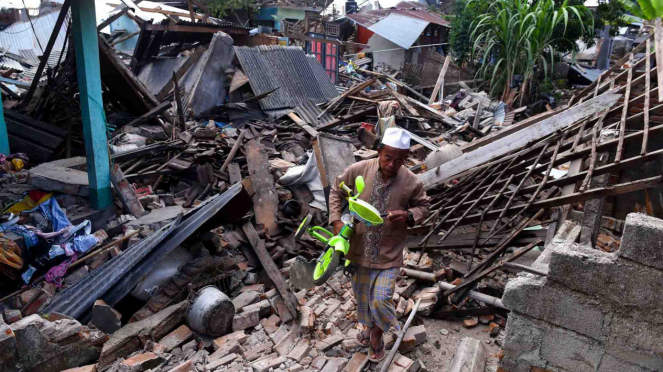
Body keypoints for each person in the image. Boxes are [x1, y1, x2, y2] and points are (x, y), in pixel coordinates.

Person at [328, 127, 430, 362]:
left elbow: (424, 207)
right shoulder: (359, 170)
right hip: (358, 249)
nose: (392, 164)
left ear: (405, 159)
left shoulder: (411, 182)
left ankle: (376, 335)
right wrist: (335, 220)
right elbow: (336, 189)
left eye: (399, 159)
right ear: (379, 151)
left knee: (381, 298)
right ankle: (368, 326)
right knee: (362, 296)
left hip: (389, 252)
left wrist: (408, 214)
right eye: (388, 157)